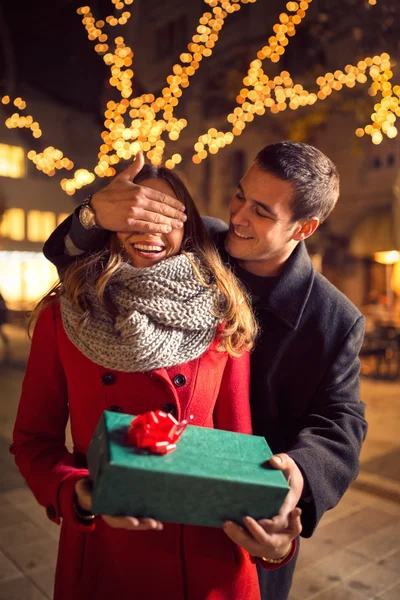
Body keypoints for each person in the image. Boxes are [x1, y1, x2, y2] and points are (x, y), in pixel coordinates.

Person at [41, 141, 368, 600]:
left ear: (304, 227)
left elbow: (341, 418)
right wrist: (95, 212)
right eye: (239, 195)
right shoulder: (199, 238)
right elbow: (71, 257)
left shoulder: (334, 318)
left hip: (243, 515)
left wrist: (300, 472)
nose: (238, 216)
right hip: (139, 507)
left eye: (261, 211)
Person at [11, 165, 301, 600]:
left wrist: (273, 545)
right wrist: (82, 494)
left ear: (187, 229)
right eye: (134, 215)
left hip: (206, 556)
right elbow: (33, 442)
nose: (150, 229)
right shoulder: (65, 314)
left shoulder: (222, 315)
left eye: (166, 216)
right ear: (110, 224)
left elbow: (237, 451)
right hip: (109, 555)